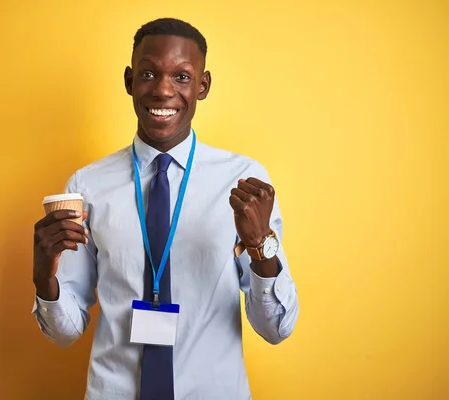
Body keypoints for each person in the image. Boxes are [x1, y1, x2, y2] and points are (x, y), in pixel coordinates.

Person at [32, 17, 299, 400]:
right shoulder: (86, 186)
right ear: (129, 81)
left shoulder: (244, 182)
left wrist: (261, 245)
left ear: (203, 86)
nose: (162, 90)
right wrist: (45, 280)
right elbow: (65, 332)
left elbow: (276, 328)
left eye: (182, 77)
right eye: (148, 73)